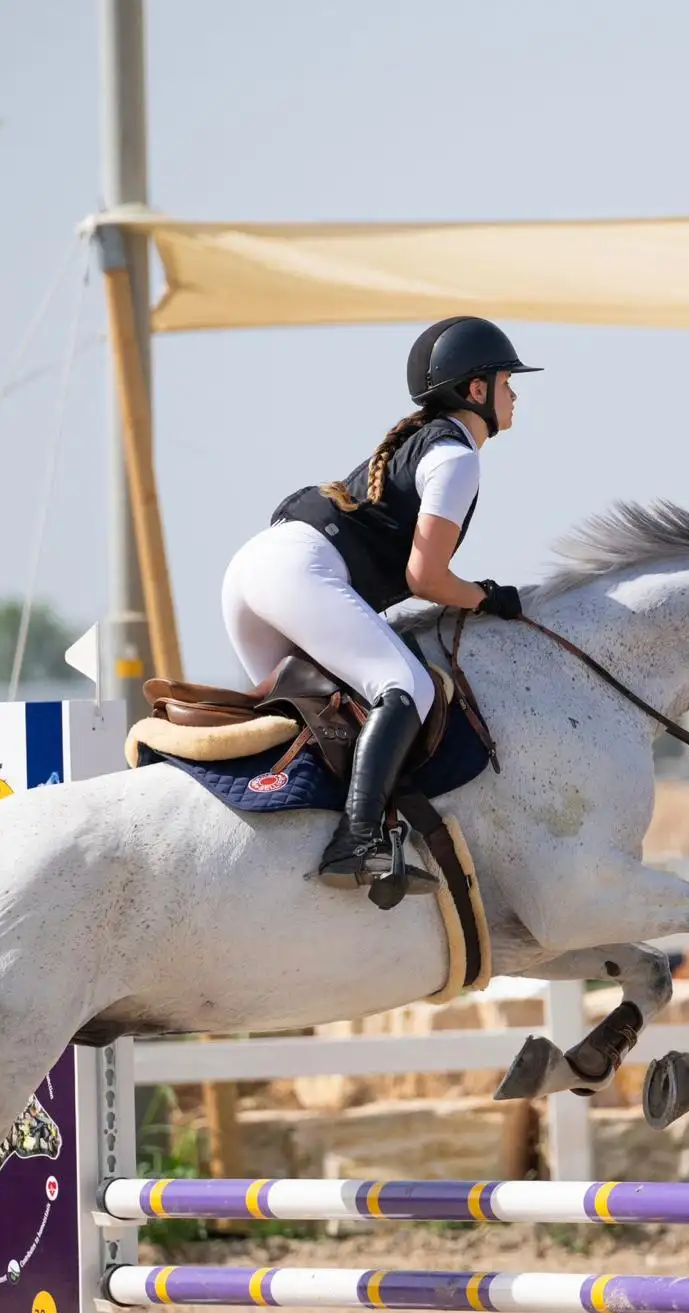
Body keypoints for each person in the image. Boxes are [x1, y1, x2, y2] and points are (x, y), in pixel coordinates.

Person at [221, 315, 538, 899]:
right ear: (476, 391)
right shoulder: (457, 458)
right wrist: (488, 598)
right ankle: (356, 841)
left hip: (253, 572)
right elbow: (426, 578)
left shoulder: (428, 446)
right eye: (506, 380)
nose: (514, 392)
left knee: (315, 720)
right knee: (409, 687)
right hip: (297, 572)